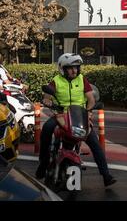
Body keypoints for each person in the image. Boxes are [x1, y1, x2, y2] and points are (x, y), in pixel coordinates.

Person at [35, 53, 116, 187]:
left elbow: (91, 99)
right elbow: (47, 96)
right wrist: (47, 100)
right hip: (61, 115)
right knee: (46, 129)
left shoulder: (82, 80)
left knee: (94, 143)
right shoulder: (56, 81)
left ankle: (106, 175)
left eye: (77, 67)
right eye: (71, 68)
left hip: (79, 115)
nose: (74, 70)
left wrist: (89, 111)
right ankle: (43, 165)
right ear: (62, 69)